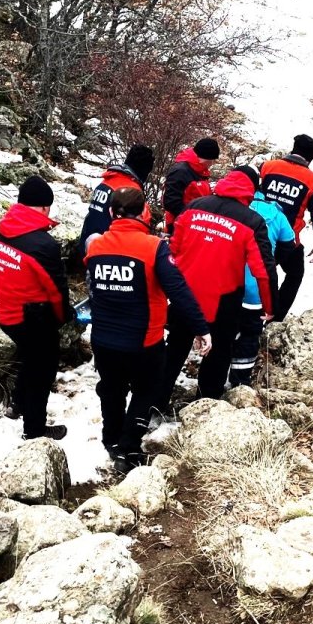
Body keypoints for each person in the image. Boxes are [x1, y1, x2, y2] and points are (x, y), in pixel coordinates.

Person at [86, 187, 210, 471]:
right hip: (144, 341)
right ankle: (129, 447)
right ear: (143, 212)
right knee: (146, 391)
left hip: (103, 338)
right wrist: (201, 327)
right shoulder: (153, 247)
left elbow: (94, 288)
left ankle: (111, 438)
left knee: (111, 389)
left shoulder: (95, 246)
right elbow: (178, 290)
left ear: (111, 213)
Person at [157, 168, 277, 410]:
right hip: (224, 299)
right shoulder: (252, 221)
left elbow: (174, 250)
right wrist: (269, 305)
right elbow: (264, 271)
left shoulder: (194, 206)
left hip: (185, 292)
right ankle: (206, 406)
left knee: (175, 347)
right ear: (251, 190)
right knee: (219, 351)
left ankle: (155, 402)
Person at [0, 176, 72, 441]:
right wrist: (62, 317)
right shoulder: (42, 245)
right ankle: (34, 429)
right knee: (43, 370)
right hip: (33, 318)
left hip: (7, 312)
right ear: (45, 208)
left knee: (29, 358)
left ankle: (17, 404)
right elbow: (55, 290)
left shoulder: (5, 229)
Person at [228, 166, 295, 386]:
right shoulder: (277, 214)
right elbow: (288, 246)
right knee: (249, 333)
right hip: (257, 288)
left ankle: (214, 370)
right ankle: (239, 380)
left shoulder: (230, 207)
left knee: (223, 325)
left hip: (227, 280)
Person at [260, 133, 313, 320]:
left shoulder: (268, 166)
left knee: (253, 274)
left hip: (255, 232)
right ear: (310, 157)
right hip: (286, 240)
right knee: (295, 273)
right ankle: (276, 317)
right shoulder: (311, 180)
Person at [75, 144, 155, 259]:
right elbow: (142, 227)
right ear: (145, 171)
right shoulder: (131, 193)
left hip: (88, 246)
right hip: (109, 254)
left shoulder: (105, 182)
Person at [162, 137, 218, 233]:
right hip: (180, 224)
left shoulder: (200, 171)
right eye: (213, 160)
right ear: (207, 158)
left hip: (195, 223)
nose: (213, 163)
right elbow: (170, 201)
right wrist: (192, 217)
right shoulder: (181, 171)